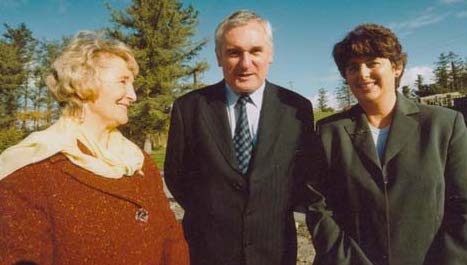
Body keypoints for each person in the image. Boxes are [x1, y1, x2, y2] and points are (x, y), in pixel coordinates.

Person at [0, 31, 189, 265]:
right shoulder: (30, 170)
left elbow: (172, 240)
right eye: (123, 81)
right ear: (83, 83)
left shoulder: (138, 161)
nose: (133, 95)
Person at [164, 10, 320, 265]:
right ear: (218, 57)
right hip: (207, 251)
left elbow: (304, 175)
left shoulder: (297, 109)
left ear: (270, 55)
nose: (245, 63)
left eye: (255, 51)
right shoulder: (189, 107)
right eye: (234, 52)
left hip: (275, 251)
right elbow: (176, 175)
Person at [310, 24, 467, 265]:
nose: (362, 73)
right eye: (353, 67)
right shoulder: (329, 132)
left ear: (396, 67)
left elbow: (462, 207)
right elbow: (319, 208)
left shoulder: (443, 125)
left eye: (373, 62)